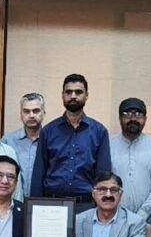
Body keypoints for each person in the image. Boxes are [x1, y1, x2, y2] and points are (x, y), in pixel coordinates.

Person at [31, 73, 112, 214]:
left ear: (87, 96)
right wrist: (34, 209)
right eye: (68, 92)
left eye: (78, 92)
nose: (73, 96)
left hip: (86, 207)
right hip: (52, 206)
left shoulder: (99, 132)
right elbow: (39, 174)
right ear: (62, 95)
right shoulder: (48, 131)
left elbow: (103, 176)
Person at [109, 98, 151, 224]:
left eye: (138, 114)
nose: (133, 119)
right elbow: (103, 182)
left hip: (149, 217)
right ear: (119, 118)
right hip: (114, 217)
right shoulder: (108, 145)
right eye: (127, 114)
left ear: (145, 119)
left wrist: (143, 213)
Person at [73, 172, 148, 237]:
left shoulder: (134, 222)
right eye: (102, 190)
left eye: (114, 190)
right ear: (93, 194)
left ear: (121, 194)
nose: (108, 195)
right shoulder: (79, 220)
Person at [2, 92, 45, 198]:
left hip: (43, 202)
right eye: (26, 111)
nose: (31, 115)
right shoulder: (8, 141)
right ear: (21, 114)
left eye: (36, 111)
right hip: (14, 201)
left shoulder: (51, 141)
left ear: (43, 113)